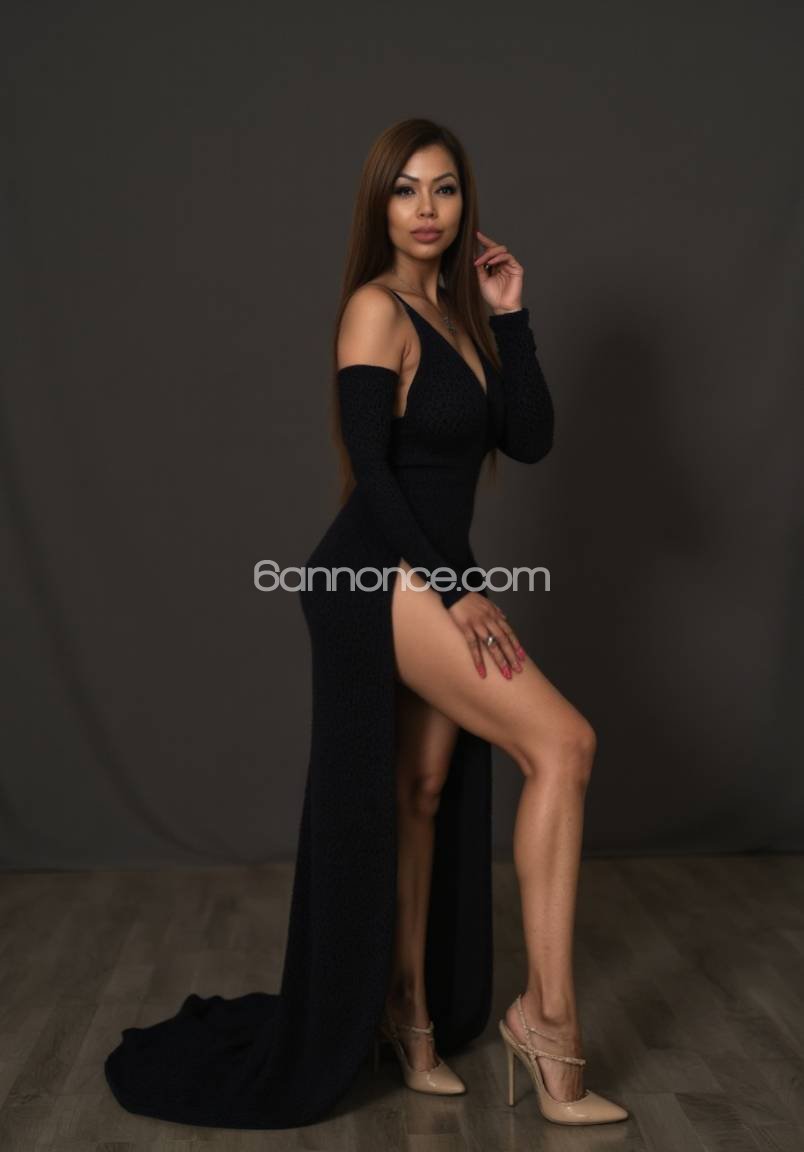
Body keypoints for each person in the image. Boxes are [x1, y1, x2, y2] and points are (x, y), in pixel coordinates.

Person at [104, 118, 629, 1130]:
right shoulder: (373, 310)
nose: (426, 209)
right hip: (376, 572)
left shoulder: (460, 314)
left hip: (433, 572)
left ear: (466, 204)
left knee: (423, 793)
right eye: (405, 190)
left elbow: (530, 439)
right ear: (379, 206)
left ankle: (408, 1011)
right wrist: (456, 589)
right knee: (564, 745)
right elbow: (372, 473)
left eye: (444, 189)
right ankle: (548, 1022)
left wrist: (513, 318)